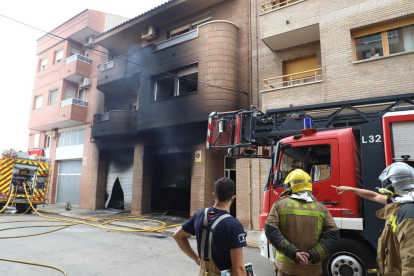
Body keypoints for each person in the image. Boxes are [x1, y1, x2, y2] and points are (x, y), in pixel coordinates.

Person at [332, 162, 414, 276]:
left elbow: (410, 261)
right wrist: (349, 189)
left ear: (394, 183)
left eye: (386, 183)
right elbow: (374, 196)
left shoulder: (408, 212)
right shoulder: (400, 202)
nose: (384, 187)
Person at [265, 169, 339, 276]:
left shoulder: (279, 205)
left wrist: (293, 253)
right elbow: (333, 236)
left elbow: (271, 232)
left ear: (290, 185)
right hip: (312, 271)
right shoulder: (321, 208)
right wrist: (312, 255)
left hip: (286, 269)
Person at [173, 177, 247, 276]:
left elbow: (177, 236)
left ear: (214, 195)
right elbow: (238, 268)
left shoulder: (199, 215)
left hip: (203, 272)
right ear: (233, 198)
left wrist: (196, 259)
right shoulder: (233, 224)